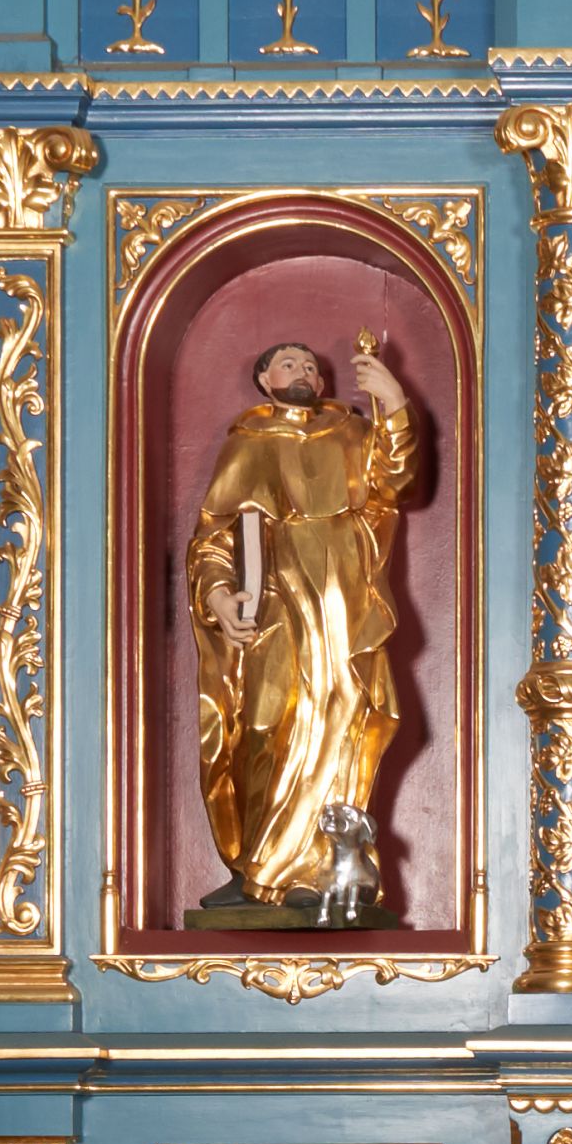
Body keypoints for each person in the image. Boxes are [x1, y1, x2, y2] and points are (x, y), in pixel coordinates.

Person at [188, 334, 416, 914]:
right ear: (264, 380)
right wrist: (217, 594)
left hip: (343, 600)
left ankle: (322, 867)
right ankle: (256, 865)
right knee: (264, 725)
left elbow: (394, 478)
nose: (303, 372)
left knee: (340, 716)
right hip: (275, 602)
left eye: (311, 367)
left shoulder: (350, 432)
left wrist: (392, 401)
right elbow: (215, 535)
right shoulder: (248, 441)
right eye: (288, 363)